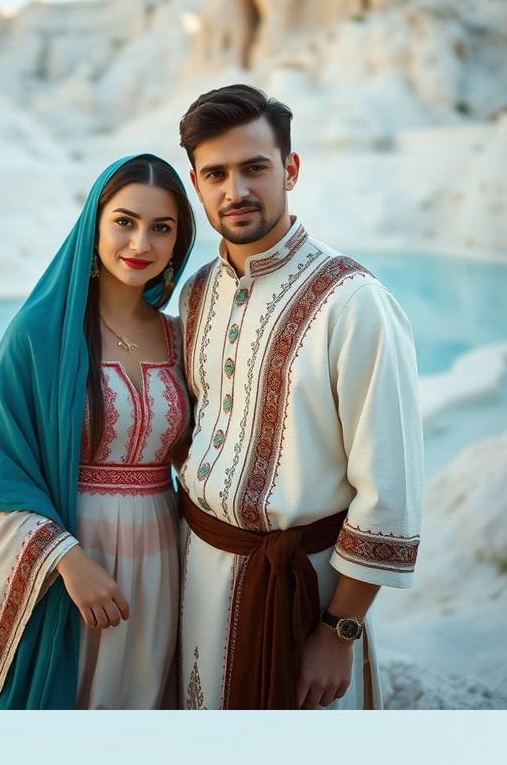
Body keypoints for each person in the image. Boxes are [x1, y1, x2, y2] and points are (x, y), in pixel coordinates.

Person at [174, 83, 422, 709]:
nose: (236, 191)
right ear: (197, 184)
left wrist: (339, 631)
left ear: (290, 169)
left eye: (255, 168)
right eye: (216, 174)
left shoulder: (354, 302)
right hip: (196, 578)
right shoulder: (198, 292)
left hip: (305, 592)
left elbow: (388, 489)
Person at [0, 153, 196, 709]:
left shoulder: (184, 339)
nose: (141, 244)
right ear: (94, 223)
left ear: (178, 242)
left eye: (161, 228)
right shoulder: (40, 337)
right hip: (70, 568)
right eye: (125, 221)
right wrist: (66, 559)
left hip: (163, 562)